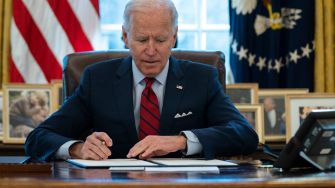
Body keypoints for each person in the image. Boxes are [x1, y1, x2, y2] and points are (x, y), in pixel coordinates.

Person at [25, 0, 258, 161]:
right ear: (125, 36)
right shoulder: (98, 79)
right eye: (141, 39)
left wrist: (181, 141)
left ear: (174, 37)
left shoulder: (201, 78)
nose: (151, 50)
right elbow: (39, 137)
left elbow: (243, 134)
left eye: (160, 39)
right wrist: (77, 148)